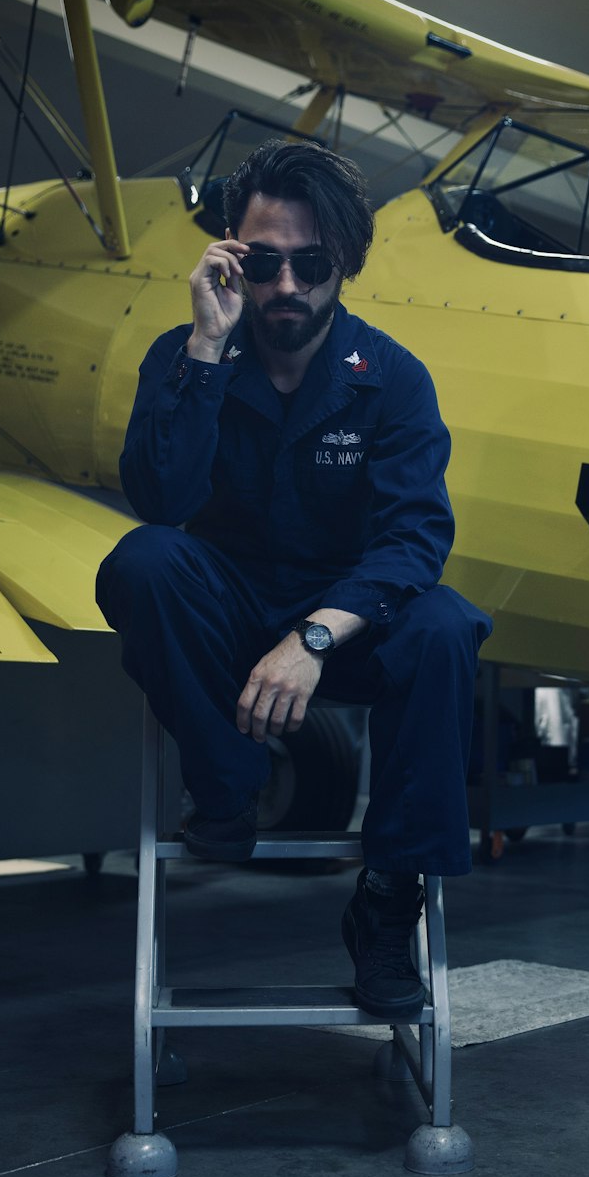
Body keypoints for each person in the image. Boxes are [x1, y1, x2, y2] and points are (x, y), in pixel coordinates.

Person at [96, 139, 492, 1018]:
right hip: (227, 617)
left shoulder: (390, 378)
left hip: (344, 630)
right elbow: (161, 500)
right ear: (233, 254)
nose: (284, 287)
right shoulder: (183, 354)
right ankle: (228, 787)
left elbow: (414, 539)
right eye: (262, 261)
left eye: (309, 264)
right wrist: (206, 344)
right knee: (143, 561)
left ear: (342, 264)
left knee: (445, 624)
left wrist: (315, 636)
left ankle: (390, 901)